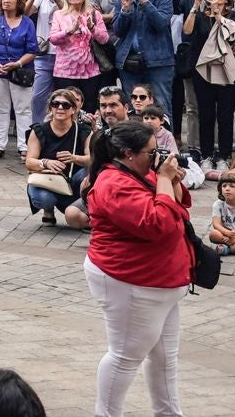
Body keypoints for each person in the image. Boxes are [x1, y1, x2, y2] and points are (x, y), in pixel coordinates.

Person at [83, 119, 192, 417]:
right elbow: (159, 224)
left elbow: (179, 209)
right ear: (128, 153)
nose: (157, 158)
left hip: (161, 281)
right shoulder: (113, 183)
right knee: (125, 356)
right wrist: (165, 179)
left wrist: (171, 180)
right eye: (151, 152)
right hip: (131, 281)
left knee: (165, 357)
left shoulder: (141, 172)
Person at [24, 87, 90, 228]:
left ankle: (81, 208)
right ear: (50, 108)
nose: (60, 108)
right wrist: (46, 163)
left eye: (66, 105)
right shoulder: (39, 130)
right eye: (55, 104)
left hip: (74, 179)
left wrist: (75, 158)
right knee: (45, 198)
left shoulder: (84, 130)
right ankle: (48, 209)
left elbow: (93, 159)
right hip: (48, 179)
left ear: (73, 109)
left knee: (89, 173)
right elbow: (29, 162)